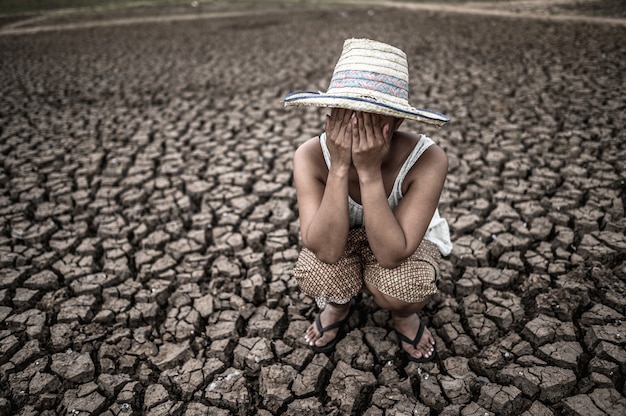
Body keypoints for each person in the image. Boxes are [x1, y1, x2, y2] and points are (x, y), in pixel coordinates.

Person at [283, 38, 452, 363]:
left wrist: (370, 173)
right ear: (330, 114)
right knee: (317, 271)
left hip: (400, 246)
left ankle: (403, 316)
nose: (356, 125)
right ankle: (339, 304)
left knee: (406, 288)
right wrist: (341, 167)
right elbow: (326, 249)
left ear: (397, 122)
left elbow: (391, 255)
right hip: (340, 241)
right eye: (346, 113)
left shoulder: (428, 159)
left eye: (372, 117)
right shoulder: (310, 156)